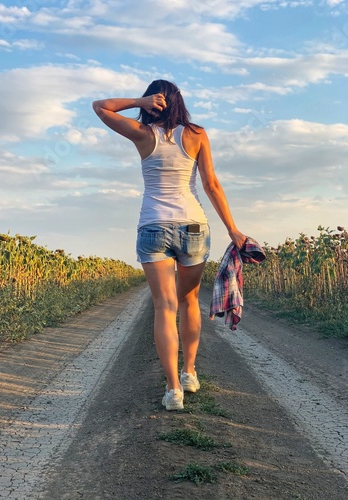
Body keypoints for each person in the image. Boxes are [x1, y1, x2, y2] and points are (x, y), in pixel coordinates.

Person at [92, 80, 246, 410]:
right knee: (189, 300)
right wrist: (233, 229)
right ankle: (189, 372)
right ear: (181, 102)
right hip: (192, 225)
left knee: (164, 306)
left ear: (154, 103)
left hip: (153, 225)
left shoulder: (142, 134)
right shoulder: (196, 133)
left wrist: (139, 101)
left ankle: (173, 389)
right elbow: (211, 184)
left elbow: (99, 106)